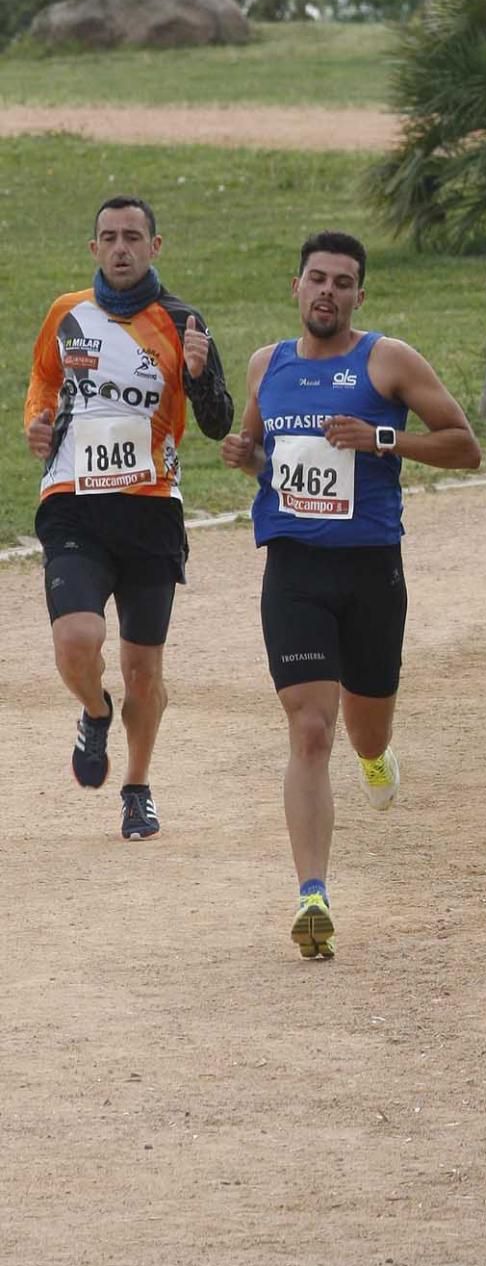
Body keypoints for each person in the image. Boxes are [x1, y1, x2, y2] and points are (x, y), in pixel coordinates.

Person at [221, 230, 481, 960]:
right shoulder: (265, 365)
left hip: (370, 571)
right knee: (310, 729)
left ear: (360, 295)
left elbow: (466, 445)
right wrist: (246, 458)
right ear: (296, 288)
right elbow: (268, 461)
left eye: (343, 281)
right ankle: (312, 895)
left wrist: (382, 441)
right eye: (316, 279)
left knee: (367, 731)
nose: (328, 291)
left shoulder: (388, 360)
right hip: (295, 570)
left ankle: (377, 756)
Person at [23, 195, 233, 840]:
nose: (120, 248)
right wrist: (35, 424)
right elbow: (43, 384)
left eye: (132, 237)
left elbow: (219, 421)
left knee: (145, 672)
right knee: (76, 642)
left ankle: (137, 787)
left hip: (150, 513)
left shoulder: (182, 321)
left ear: (154, 247)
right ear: (93, 249)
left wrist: (197, 377)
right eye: (109, 237)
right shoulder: (67, 314)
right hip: (73, 506)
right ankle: (94, 710)